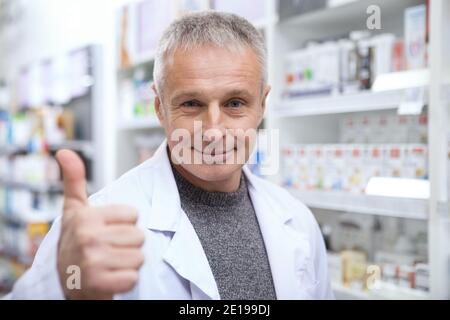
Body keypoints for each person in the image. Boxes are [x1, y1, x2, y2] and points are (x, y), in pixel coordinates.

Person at [9, 11, 333, 300]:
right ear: (160, 108)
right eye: (191, 104)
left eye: (235, 103)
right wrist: (63, 286)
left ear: (262, 106)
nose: (214, 131)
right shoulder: (94, 228)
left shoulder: (296, 219)